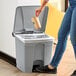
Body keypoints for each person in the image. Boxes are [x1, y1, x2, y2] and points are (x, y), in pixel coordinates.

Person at [35, 0, 76, 75]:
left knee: (74, 38)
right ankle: (52, 66)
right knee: (61, 35)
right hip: (72, 6)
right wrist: (41, 7)